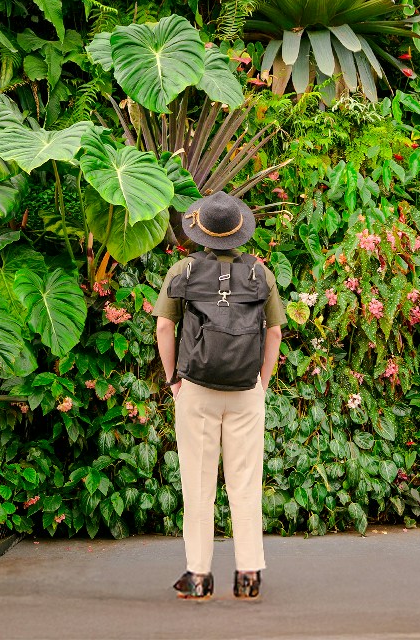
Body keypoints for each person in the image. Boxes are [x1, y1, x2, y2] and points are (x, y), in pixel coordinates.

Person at [154, 190, 283, 602]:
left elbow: (162, 328)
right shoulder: (261, 274)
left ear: (201, 232)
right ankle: (248, 577)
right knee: (245, 484)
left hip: (197, 389)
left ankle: (198, 576)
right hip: (246, 391)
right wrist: (261, 382)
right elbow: (275, 332)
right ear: (239, 233)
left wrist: (174, 379)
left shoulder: (183, 270)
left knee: (198, 483)